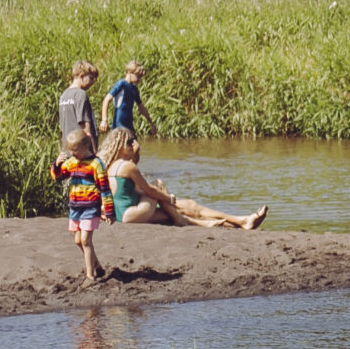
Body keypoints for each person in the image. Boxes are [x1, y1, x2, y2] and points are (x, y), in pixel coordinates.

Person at [101, 129, 267, 228]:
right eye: (131, 143)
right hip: (133, 214)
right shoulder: (127, 166)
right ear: (122, 146)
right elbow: (148, 190)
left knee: (189, 206)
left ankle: (240, 222)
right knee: (157, 184)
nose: (134, 145)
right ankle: (180, 218)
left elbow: (129, 192)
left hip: (125, 215)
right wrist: (168, 197)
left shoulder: (110, 166)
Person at [54, 129, 113, 281]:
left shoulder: (96, 164)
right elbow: (58, 177)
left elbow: (105, 189)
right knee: (78, 241)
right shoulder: (73, 162)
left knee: (86, 240)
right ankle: (97, 266)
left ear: (86, 146)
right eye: (70, 151)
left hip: (90, 207)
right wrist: (56, 165)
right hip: (75, 207)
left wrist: (109, 210)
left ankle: (90, 276)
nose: (73, 154)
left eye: (75, 150)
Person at [58, 61, 101, 154]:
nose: (93, 82)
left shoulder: (64, 95)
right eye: (91, 78)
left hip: (67, 149)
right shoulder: (80, 94)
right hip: (82, 151)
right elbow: (85, 126)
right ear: (81, 76)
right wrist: (93, 151)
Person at [102, 61, 151, 137]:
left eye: (141, 77)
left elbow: (141, 107)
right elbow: (106, 100)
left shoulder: (134, 89)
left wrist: (150, 122)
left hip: (129, 124)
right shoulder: (121, 84)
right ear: (129, 72)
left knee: (135, 147)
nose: (140, 79)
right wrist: (104, 120)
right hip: (119, 124)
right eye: (138, 76)